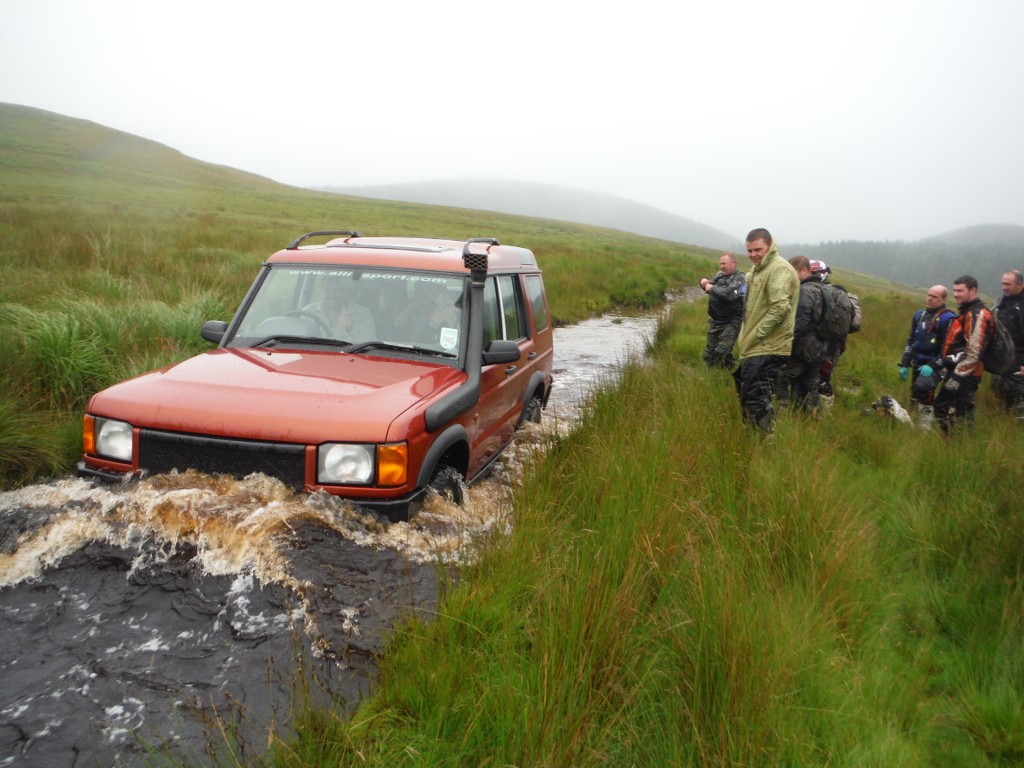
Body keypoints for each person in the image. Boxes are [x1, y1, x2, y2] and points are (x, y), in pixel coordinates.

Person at [732, 228, 799, 433]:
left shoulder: (779, 269)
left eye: (758, 249)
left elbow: (780, 307)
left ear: (770, 245)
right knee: (745, 388)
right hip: (754, 347)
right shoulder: (755, 272)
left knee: (755, 396)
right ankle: (751, 433)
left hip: (768, 346)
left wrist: (758, 334)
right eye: (749, 250)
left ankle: (763, 440)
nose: (753, 254)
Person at [934, 275, 996, 434]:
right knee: (947, 407)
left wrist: (957, 377)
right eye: (954, 290)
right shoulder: (967, 311)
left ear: (973, 290)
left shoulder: (977, 314)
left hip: (967, 374)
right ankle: (952, 441)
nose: (955, 294)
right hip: (958, 371)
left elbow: (974, 351)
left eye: (960, 291)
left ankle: (959, 444)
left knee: (958, 410)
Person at [898, 285, 956, 429]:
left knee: (923, 388)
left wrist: (932, 365)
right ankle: (911, 422)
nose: (929, 299)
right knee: (915, 394)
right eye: (928, 295)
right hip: (917, 362)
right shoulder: (919, 315)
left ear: (943, 299)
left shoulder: (948, 319)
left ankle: (925, 426)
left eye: (934, 297)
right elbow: (911, 340)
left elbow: (947, 349)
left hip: (935, 366)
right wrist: (905, 363)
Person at [776, 256, 827, 412]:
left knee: (781, 379)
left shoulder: (804, 291)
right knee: (810, 385)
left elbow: (799, 325)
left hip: (802, 349)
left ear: (804, 270)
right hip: (820, 348)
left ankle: (781, 415)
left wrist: (784, 347)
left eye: (793, 272)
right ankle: (811, 417)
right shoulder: (823, 288)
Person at [699, 252, 746, 368]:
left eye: (724, 263)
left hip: (731, 322)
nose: (721, 266)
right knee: (709, 354)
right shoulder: (720, 274)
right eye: (720, 264)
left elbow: (730, 294)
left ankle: (727, 369)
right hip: (715, 321)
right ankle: (725, 370)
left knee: (721, 351)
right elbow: (709, 285)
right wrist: (703, 282)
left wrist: (712, 288)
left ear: (733, 263)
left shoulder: (741, 279)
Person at [990, 269, 1024, 417]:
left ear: (1020, 284)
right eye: (1003, 284)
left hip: (1019, 355)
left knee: (1014, 390)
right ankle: (1004, 417)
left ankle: (1017, 422)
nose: (1004, 287)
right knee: (997, 385)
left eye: (1008, 284)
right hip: (1002, 354)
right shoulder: (1003, 299)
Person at [307, 278, 377, 341]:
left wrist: (351, 328)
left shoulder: (362, 314)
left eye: (337, 290)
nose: (331, 295)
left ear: (347, 291)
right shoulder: (309, 311)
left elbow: (371, 343)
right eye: (327, 290)